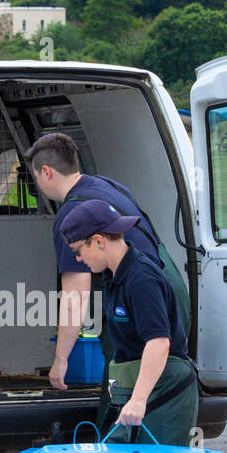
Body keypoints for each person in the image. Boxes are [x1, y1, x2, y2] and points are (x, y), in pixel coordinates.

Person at [57, 198, 222, 453]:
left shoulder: (142, 276)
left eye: (78, 250)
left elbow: (159, 342)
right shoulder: (114, 275)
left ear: (99, 240)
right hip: (136, 389)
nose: (76, 258)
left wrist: (139, 399)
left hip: (163, 390)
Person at [25, 133, 188, 396]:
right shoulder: (107, 185)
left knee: (125, 392)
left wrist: (60, 360)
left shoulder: (72, 214)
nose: (38, 185)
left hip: (144, 305)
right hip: (173, 292)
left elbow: (75, 296)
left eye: (35, 178)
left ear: (46, 172)